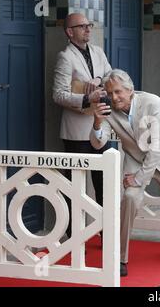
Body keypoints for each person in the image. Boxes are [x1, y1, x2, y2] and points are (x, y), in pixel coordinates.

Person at [90, 69, 160, 277]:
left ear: (130, 90)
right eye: (110, 92)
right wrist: (96, 122)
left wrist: (140, 178)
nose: (114, 97)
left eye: (119, 92)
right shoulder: (106, 110)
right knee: (130, 198)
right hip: (135, 158)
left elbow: (157, 147)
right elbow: (98, 143)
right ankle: (119, 257)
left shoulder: (152, 103)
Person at [53, 13, 112, 238]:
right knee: (75, 185)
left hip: (100, 127)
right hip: (76, 131)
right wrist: (88, 98)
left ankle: (105, 230)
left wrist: (99, 82)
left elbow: (111, 75)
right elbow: (58, 95)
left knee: (103, 181)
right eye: (82, 26)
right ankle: (73, 233)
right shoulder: (65, 57)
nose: (88, 29)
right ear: (70, 32)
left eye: (89, 25)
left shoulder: (98, 52)